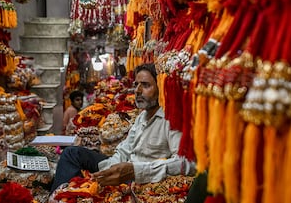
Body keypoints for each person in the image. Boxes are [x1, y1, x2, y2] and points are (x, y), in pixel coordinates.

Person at [51, 63, 196, 192]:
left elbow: (187, 163)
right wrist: (109, 170)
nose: (138, 91)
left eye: (145, 85)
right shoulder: (142, 116)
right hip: (125, 170)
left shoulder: (172, 119)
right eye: (136, 85)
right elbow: (124, 150)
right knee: (71, 153)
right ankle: (61, 195)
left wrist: (136, 171)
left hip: (142, 178)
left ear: (161, 89)